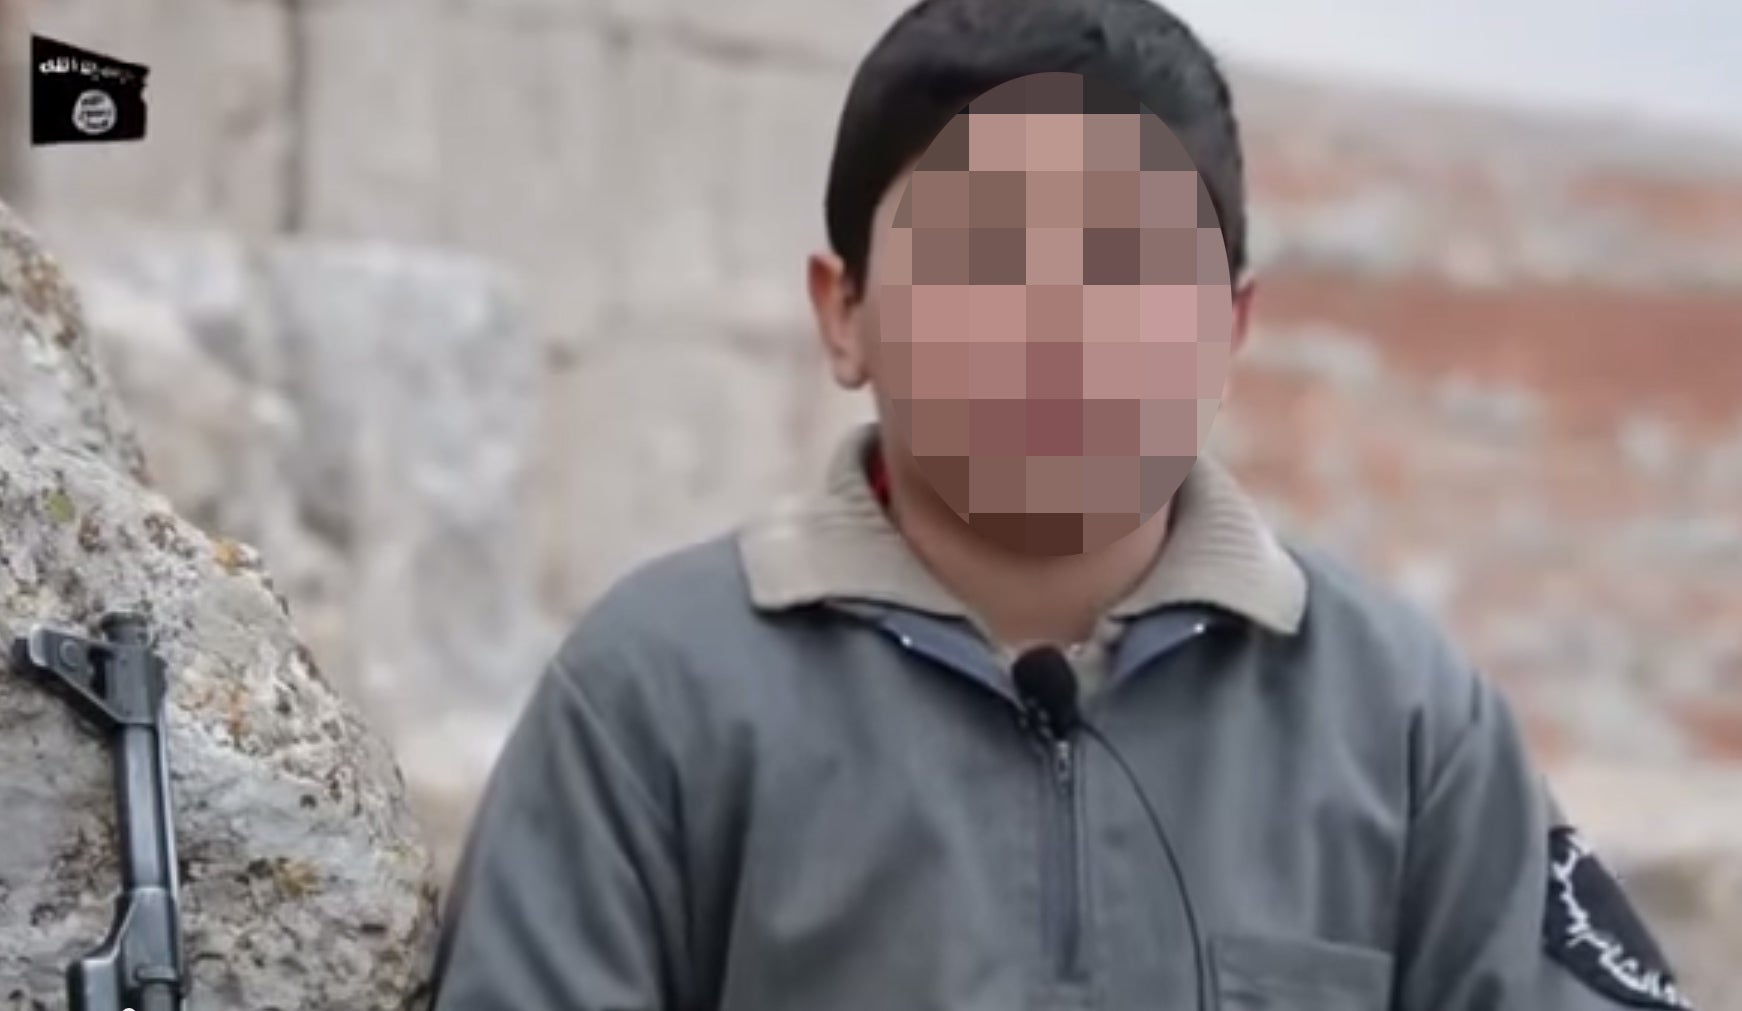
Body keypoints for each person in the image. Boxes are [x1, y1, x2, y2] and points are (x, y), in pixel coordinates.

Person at [427, 0, 1695, 1008]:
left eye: (1128, 265)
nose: (1058, 325)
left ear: (1227, 328)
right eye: (984, 255)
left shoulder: (1404, 720)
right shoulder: (657, 695)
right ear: (845, 310)